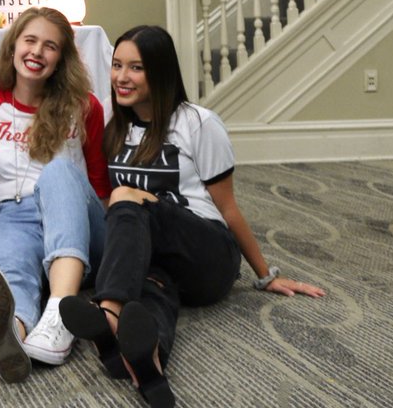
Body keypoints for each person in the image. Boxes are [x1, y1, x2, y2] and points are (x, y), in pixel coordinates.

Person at [60, 26, 324, 407]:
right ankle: (146, 364)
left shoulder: (198, 123)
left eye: (136, 67)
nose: (121, 77)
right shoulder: (111, 123)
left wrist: (265, 275)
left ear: (161, 72)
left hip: (207, 253)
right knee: (148, 297)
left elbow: (228, 208)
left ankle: (108, 312)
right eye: (117, 65)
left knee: (125, 197)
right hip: (159, 263)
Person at [0, 8, 110, 383]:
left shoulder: (85, 107)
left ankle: (61, 311)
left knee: (59, 171)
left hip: (76, 214)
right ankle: (14, 332)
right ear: (12, 46)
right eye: (30, 41)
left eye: (50, 46)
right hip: (13, 213)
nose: (37, 52)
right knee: (1, 259)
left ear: (61, 59)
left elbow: (97, 181)